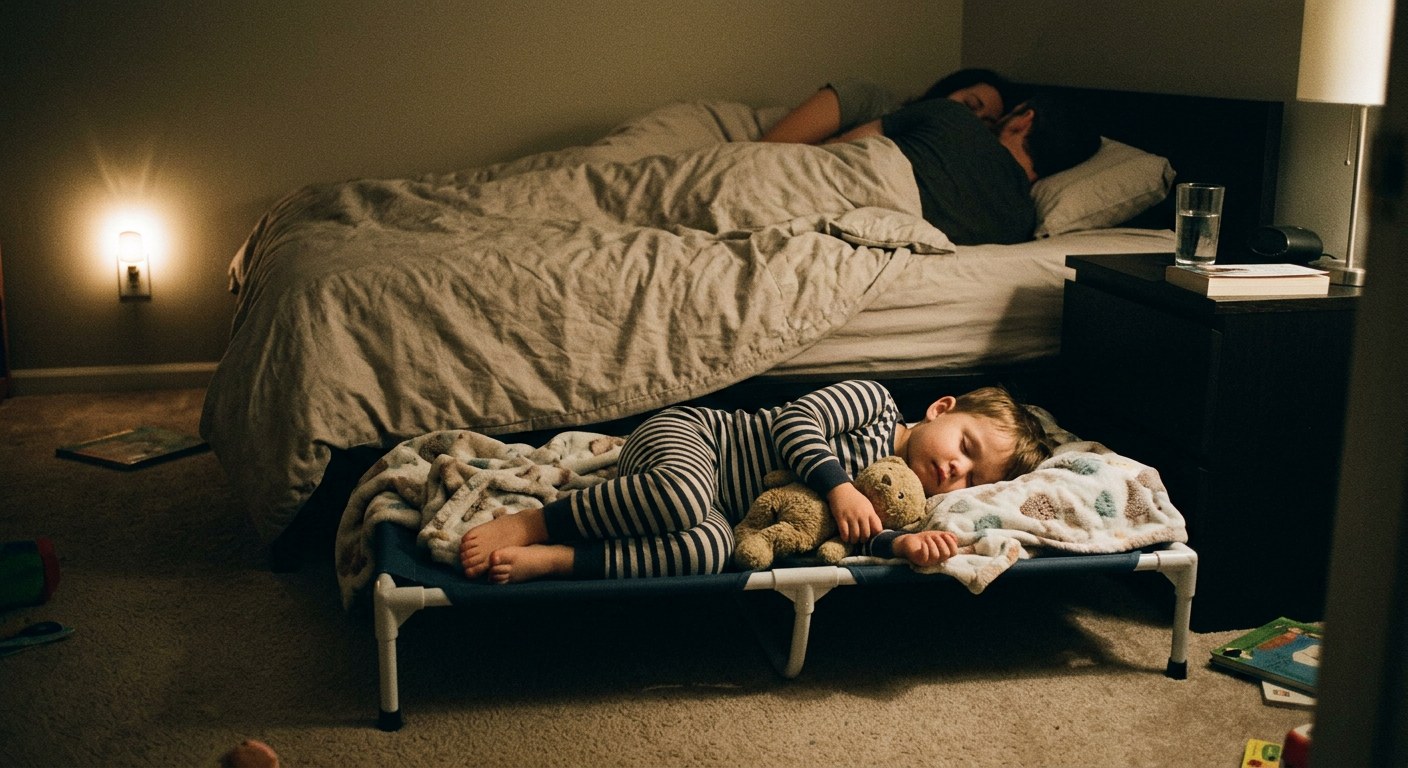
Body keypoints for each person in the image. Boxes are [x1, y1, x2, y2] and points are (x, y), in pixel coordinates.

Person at [459, 380, 1050, 584]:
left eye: (972, 476)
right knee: (682, 494)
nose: (955, 470)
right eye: (965, 447)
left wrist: (904, 544)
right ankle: (535, 521)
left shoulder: (912, 500)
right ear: (941, 408)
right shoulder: (874, 403)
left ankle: (562, 560)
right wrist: (838, 484)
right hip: (694, 439)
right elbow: (797, 418)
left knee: (712, 549)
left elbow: (852, 537)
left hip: (725, 510)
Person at [761, 72, 1099, 246]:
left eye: (988, 125)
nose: (980, 134)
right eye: (969, 108)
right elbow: (796, 156)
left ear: (1023, 119)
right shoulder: (1022, 222)